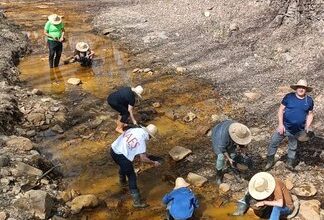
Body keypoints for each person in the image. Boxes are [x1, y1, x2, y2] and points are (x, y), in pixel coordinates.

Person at [265, 79, 314, 170]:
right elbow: (280, 110)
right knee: (273, 143)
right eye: (299, 87)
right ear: (296, 88)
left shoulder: (309, 100)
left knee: (293, 147)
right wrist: (280, 124)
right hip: (284, 127)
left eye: (303, 87)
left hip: (298, 130)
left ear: (306, 89)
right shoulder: (289, 97)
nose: (301, 89)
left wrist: (308, 125)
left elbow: (310, 114)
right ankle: (269, 161)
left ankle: (289, 163)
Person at [110, 124, 160, 208]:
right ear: (149, 135)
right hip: (121, 155)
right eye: (151, 137)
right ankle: (137, 202)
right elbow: (143, 159)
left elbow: (131, 144)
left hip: (113, 149)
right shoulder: (142, 140)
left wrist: (143, 153)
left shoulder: (134, 130)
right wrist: (153, 163)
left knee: (124, 166)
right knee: (132, 176)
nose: (150, 139)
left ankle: (122, 182)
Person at [211, 120, 252, 185]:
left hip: (228, 137)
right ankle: (218, 175)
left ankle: (233, 168)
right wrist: (229, 158)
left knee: (233, 154)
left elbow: (241, 140)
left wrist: (243, 150)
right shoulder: (222, 137)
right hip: (217, 136)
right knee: (221, 157)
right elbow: (222, 149)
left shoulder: (239, 129)